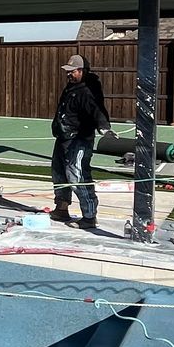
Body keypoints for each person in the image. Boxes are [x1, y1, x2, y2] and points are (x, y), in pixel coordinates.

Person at [50, 54, 113, 230]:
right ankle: (61, 208)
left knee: (77, 174)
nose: (68, 74)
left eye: (72, 71)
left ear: (81, 71)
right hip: (64, 137)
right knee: (58, 171)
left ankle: (89, 216)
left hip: (80, 139)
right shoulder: (71, 88)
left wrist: (104, 127)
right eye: (68, 71)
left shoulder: (88, 91)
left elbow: (97, 110)